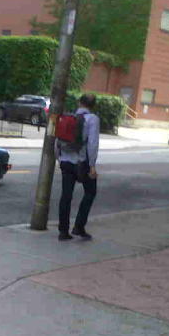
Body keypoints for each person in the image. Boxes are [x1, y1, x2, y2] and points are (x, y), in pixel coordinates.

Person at [55, 93, 100, 241]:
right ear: (93, 106)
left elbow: (58, 139)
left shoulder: (69, 118)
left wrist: (59, 158)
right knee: (90, 192)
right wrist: (92, 166)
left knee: (66, 196)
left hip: (65, 161)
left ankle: (63, 231)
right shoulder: (92, 119)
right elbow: (92, 144)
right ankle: (79, 226)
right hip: (82, 163)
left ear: (79, 102)